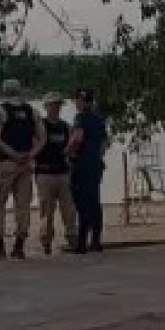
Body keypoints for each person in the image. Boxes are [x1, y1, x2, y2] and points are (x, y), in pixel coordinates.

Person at [0, 78, 41, 260]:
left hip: (5, 164)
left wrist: (12, 154)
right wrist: (30, 154)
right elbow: (43, 137)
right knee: (23, 206)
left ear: (4, 91)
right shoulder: (32, 111)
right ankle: (19, 246)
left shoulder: (0, 111)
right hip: (26, 165)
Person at [66, 88, 109, 254]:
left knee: (81, 202)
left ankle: (82, 242)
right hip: (95, 166)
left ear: (82, 101)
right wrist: (97, 159)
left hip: (82, 166)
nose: (76, 103)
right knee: (94, 201)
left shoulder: (80, 118)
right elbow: (103, 144)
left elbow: (77, 140)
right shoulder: (99, 119)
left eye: (77, 100)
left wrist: (67, 154)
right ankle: (96, 241)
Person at [33, 92, 76, 254]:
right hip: (45, 174)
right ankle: (46, 242)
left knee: (69, 210)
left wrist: (70, 160)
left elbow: (73, 147)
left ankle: (72, 238)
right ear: (46, 107)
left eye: (58, 105)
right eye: (52, 105)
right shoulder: (40, 127)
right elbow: (33, 146)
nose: (55, 108)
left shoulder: (66, 127)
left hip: (64, 174)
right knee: (46, 211)